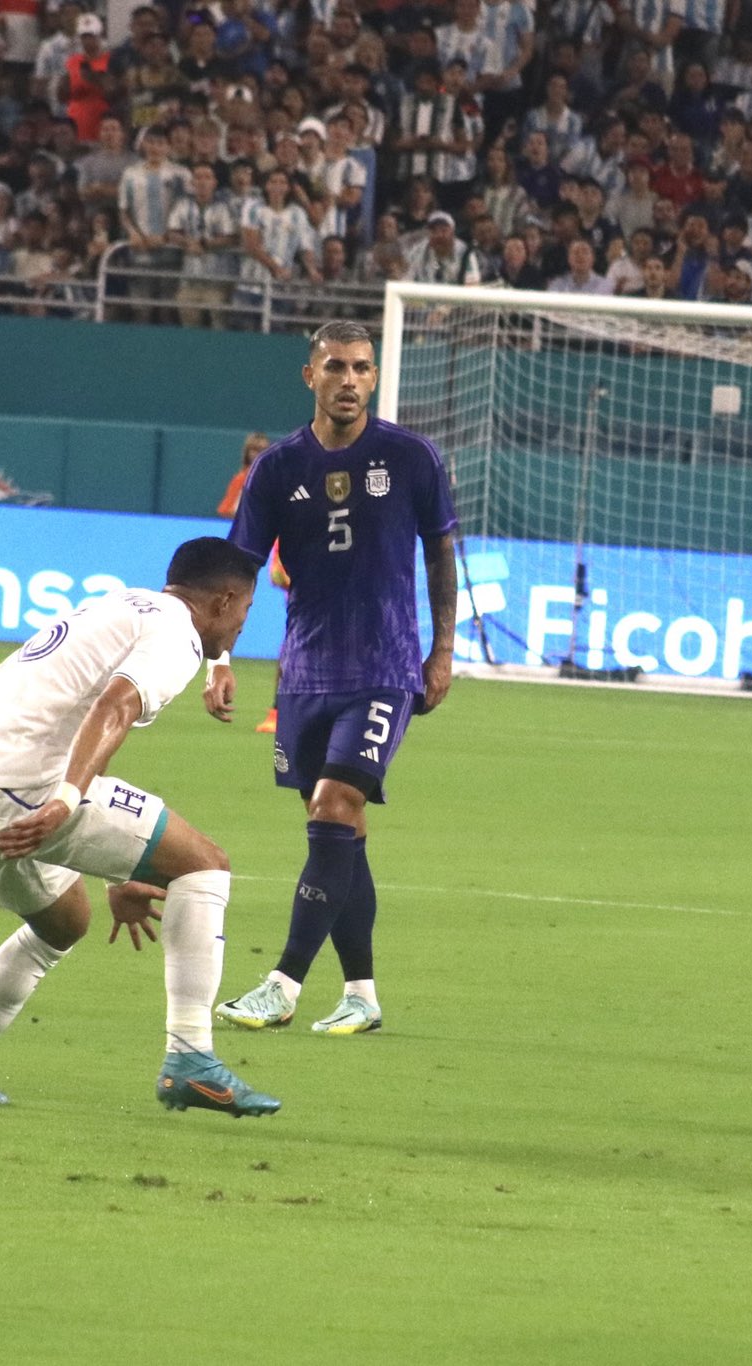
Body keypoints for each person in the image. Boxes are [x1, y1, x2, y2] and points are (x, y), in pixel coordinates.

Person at [0, 536, 280, 1118]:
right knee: (205, 864)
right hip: (27, 786)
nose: (239, 630)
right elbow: (115, 708)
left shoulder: (119, 606)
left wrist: (116, 868)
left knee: (62, 922)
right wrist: (63, 802)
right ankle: (190, 1057)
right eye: (245, 613)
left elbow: (86, 721)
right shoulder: (178, 634)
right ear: (223, 601)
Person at [207, 321, 459, 1037]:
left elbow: (441, 553)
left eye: (361, 368)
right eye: (336, 367)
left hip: (383, 667)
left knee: (333, 805)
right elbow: (237, 574)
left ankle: (282, 984)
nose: (350, 380)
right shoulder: (278, 467)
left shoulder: (410, 457)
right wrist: (219, 660)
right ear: (309, 376)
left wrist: (441, 652)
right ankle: (363, 995)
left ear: (374, 378)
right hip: (307, 672)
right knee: (340, 831)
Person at [215, 432, 288, 736]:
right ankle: (278, 712)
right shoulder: (244, 479)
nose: (258, 454)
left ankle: (287, 713)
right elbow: (226, 510)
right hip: (272, 558)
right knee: (294, 642)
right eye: (253, 450)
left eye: (263, 449)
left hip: (293, 557)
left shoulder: (278, 478)